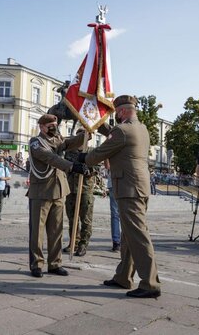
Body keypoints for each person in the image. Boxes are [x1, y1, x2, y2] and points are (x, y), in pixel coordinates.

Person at [79, 95, 161, 298]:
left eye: (117, 112)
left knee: (138, 235)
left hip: (128, 188)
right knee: (129, 235)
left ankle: (150, 283)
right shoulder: (140, 128)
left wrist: (83, 157)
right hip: (138, 187)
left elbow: (99, 153)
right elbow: (115, 135)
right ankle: (124, 276)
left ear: (122, 111)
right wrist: (98, 122)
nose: (115, 116)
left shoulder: (122, 131)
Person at [27, 114, 89, 278]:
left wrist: (86, 134)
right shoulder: (36, 142)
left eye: (55, 125)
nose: (54, 128)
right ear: (41, 127)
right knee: (37, 232)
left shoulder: (57, 139)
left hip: (59, 190)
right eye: (50, 126)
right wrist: (72, 166)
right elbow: (50, 157)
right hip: (41, 191)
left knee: (56, 230)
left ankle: (55, 264)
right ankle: (36, 264)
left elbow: (68, 143)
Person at [63, 130, 97, 257]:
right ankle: (74, 242)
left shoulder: (91, 152)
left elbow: (95, 170)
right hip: (71, 189)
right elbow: (64, 166)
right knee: (72, 219)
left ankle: (83, 244)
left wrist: (87, 170)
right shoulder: (69, 152)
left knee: (86, 219)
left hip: (85, 190)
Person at [104, 159, 121, 252]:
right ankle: (118, 241)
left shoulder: (110, 144)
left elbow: (107, 165)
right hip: (121, 182)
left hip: (115, 181)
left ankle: (117, 242)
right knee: (121, 214)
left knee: (115, 215)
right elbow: (107, 166)